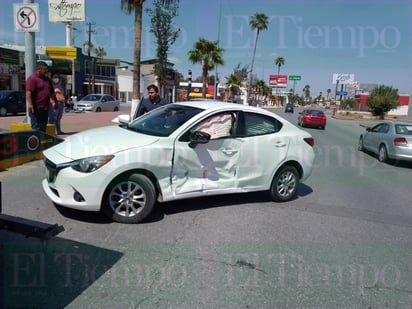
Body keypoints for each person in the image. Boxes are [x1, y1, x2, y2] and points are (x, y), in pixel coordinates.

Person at [26, 61, 58, 132]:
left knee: (43, 128)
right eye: (44, 69)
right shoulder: (32, 79)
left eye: (46, 69)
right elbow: (28, 92)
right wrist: (30, 104)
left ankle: (41, 142)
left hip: (45, 108)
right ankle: (37, 142)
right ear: (38, 69)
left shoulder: (47, 80)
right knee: (36, 128)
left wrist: (55, 102)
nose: (46, 71)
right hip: (36, 108)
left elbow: (52, 92)